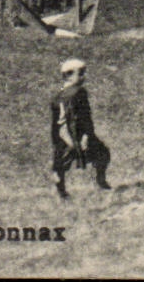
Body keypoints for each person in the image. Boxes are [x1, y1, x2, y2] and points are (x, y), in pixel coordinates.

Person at [51, 58, 111, 198]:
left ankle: (61, 190)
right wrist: (83, 137)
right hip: (73, 134)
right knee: (101, 154)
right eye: (81, 73)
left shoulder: (60, 95)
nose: (84, 76)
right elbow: (77, 117)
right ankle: (100, 181)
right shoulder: (77, 93)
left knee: (61, 163)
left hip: (63, 135)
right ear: (68, 75)